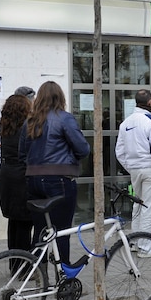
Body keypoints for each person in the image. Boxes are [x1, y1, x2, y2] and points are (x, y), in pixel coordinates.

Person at [20, 81, 90, 266]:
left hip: (33, 179)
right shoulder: (64, 118)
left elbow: (22, 153)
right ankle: (64, 275)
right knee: (61, 230)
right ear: (60, 97)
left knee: (41, 230)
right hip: (59, 178)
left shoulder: (30, 121)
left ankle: (38, 271)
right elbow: (83, 148)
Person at [116, 89, 151, 258]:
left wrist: (131, 167)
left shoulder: (125, 123)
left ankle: (134, 242)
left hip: (135, 170)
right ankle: (145, 247)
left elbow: (120, 152)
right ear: (150, 103)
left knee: (138, 206)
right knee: (149, 209)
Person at [0, 94, 34, 253]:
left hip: (6, 175)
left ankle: (14, 262)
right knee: (25, 224)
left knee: (13, 223)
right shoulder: (26, 127)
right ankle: (24, 265)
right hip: (21, 176)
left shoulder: (4, 127)